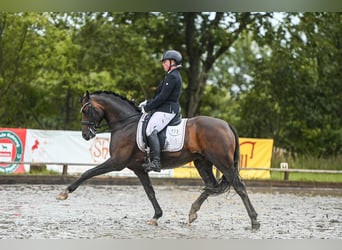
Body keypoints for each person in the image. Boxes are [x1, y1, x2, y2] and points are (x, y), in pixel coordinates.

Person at [139, 49, 183, 172]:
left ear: (172, 62)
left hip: (167, 109)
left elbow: (163, 97)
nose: (163, 64)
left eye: (165, 62)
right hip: (164, 108)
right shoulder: (170, 76)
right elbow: (160, 96)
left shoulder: (173, 77)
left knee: (150, 129)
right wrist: (147, 102)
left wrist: (147, 108)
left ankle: (156, 162)